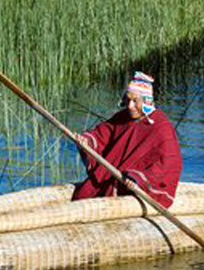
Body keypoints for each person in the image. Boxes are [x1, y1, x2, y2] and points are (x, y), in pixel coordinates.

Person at [72, 72, 182, 208]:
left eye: (135, 101)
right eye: (128, 100)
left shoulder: (161, 127)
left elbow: (169, 163)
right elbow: (102, 135)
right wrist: (86, 141)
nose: (130, 106)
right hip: (111, 179)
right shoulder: (123, 117)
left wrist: (137, 179)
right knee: (84, 193)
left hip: (132, 187)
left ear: (147, 102)